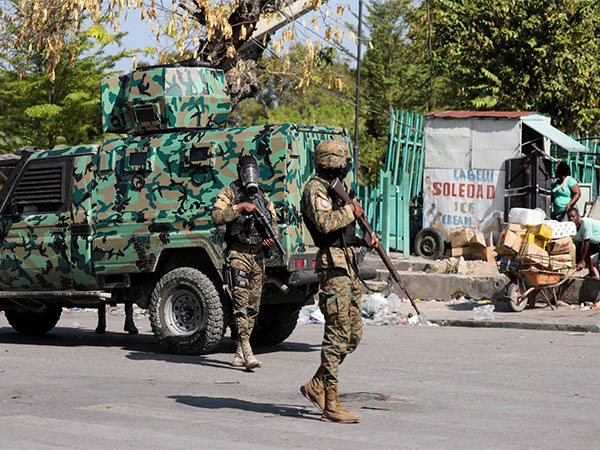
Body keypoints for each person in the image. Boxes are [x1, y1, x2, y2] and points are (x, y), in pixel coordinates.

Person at [299, 139, 378, 423]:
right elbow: (324, 224)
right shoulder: (315, 188)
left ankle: (316, 385)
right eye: (344, 160)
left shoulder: (339, 191)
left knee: (353, 335)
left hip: (348, 265)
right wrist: (351, 211)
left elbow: (343, 231)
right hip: (333, 268)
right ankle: (331, 403)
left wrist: (365, 236)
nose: (347, 166)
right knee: (336, 335)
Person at [211, 154, 276, 371]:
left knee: (253, 307)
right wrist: (240, 208)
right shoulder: (230, 192)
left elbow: (273, 221)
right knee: (240, 304)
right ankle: (247, 350)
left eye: (253, 170)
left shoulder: (262, 195)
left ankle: (240, 350)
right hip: (238, 253)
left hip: (258, 256)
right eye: (247, 170)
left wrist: (269, 238)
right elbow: (216, 216)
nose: (250, 175)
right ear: (240, 171)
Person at [567, 207, 600, 279]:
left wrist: (581, 261)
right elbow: (579, 245)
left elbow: (586, 243)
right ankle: (592, 273)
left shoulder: (585, 223)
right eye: (569, 217)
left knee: (599, 265)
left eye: (573, 216)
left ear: (578, 216)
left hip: (597, 240)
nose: (571, 219)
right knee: (586, 255)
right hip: (596, 242)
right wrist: (578, 260)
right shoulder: (573, 230)